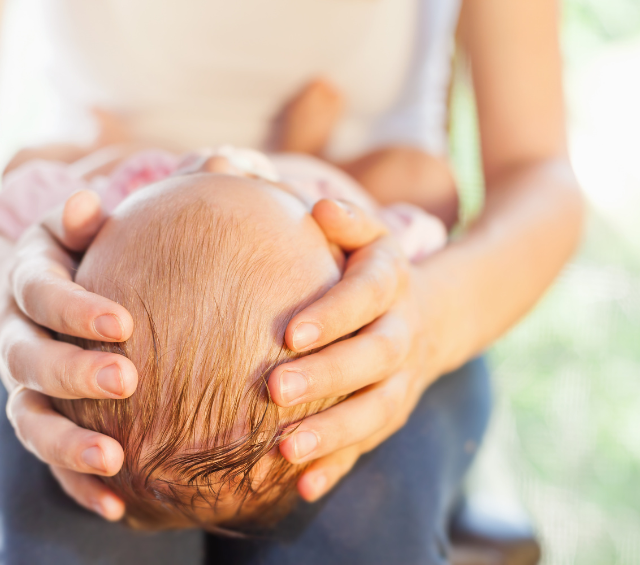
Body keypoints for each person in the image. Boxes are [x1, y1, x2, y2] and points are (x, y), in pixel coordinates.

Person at [0, 1, 584, 563]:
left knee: (350, 536)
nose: (224, 157)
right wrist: (17, 288)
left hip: (118, 196)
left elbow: (537, 172)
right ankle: (300, 159)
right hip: (325, 209)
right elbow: (425, 194)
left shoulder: (91, 192)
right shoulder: (344, 204)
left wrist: (424, 316)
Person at [2, 143, 447, 530]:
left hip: (132, 143)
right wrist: (385, 252)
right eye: (265, 184)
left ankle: (113, 136)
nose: (220, 156)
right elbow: (425, 240)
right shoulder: (335, 217)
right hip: (323, 175)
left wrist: (19, 269)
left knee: (38, 155)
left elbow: (15, 198)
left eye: (192, 177)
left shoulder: (99, 198)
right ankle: (303, 145)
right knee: (421, 175)